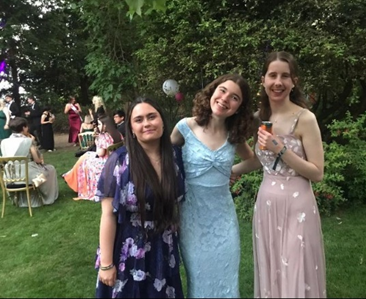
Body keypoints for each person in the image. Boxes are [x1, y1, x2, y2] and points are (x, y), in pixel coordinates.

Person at [232, 51, 327, 298]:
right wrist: (230, 172)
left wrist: (281, 148)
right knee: (272, 268)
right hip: (267, 204)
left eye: (285, 76)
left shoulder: (305, 119)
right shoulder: (258, 119)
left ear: (293, 81)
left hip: (298, 207)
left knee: (296, 269)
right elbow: (259, 162)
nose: (278, 82)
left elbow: (317, 173)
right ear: (263, 80)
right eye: (272, 75)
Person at [170, 74, 254, 298]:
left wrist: (232, 171)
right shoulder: (184, 128)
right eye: (223, 90)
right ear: (212, 91)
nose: (225, 98)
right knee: (199, 280)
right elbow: (164, 161)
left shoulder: (233, 136)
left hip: (224, 221)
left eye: (234, 97)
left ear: (238, 108)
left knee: (227, 279)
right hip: (193, 220)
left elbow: (255, 161)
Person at [95, 97, 185, 298]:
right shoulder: (119, 161)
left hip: (164, 246)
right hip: (127, 250)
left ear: (162, 121)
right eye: (139, 119)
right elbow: (108, 215)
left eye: (152, 117)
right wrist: (107, 264)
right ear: (131, 129)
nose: (146, 123)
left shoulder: (176, 156)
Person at [0, 117, 59, 207]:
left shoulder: (4, 142)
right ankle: (47, 198)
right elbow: (37, 160)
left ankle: (20, 200)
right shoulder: (27, 141)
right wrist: (33, 144)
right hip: (26, 174)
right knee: (50, 169)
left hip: (9, 175)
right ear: (24, 128)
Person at [62, 115, 122, 201]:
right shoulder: (118, 134)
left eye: (100, 124)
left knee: (84, 162)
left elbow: (100, 153)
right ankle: (70, 176)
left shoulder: (103, 137)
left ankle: (73, 180)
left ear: (105, 125)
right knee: (85, 157)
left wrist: (97, 140)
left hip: (105, 162)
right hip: (116, 161)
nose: (98, 126)